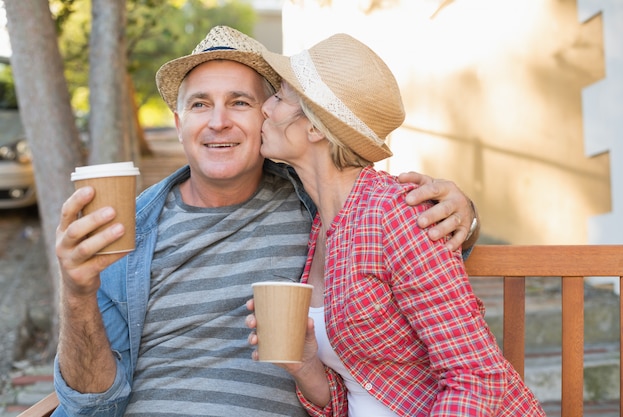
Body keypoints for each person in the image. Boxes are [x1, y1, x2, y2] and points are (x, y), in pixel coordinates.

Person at [52, 26, 479, 417]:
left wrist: (463, 215)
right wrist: (77, 292)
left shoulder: (316, 208)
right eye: (200, 105)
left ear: (267, 119)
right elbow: (91, 404)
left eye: (241, 102)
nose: (218, 122)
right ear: (180, 126)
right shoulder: (127, 229)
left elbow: (410, 251)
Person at [246, 34, 545, 416]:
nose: (265, 109)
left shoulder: (394, 214)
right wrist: (305, 366)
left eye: (280, 96)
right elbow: (362, 392)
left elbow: (477, 377)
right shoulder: (322, 226)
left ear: (316, 127)